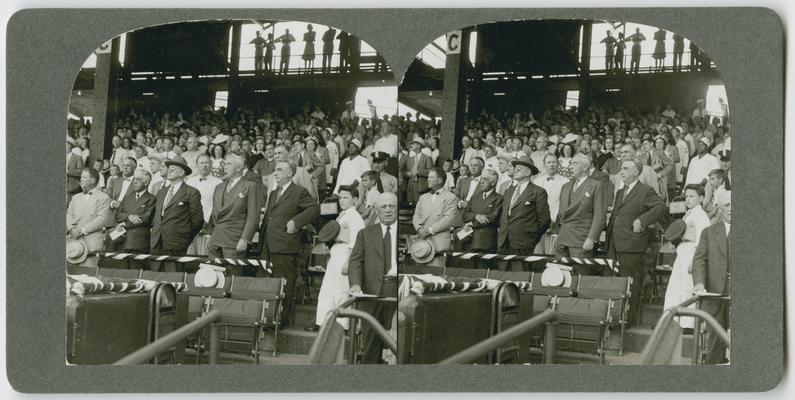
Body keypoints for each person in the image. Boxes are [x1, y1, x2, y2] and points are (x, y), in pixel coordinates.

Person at [606, 158, 667, 325]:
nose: (621, 172)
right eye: (621, 169)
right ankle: (615, 318)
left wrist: (643, 220)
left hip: (632, 245)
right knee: (616, 284)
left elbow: (660, 207)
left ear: (636, 172)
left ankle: (628, 321)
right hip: (614, 244)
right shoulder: (620, 192)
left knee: (631, 285)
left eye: (625, 169)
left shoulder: (645, 191)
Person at [259, 160, 320, 325]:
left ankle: (281, 321)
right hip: (267, 244)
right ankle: (267, 319)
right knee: (268, 284)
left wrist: (296, 221)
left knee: (284, 286)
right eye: (274, 170)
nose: (275, 173)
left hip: (285, 245)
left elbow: (314, 208)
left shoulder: (299, 192)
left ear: (290, 173)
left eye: (279, 170)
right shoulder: (273, 193)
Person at [347, 192, 399, 364]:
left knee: (399, 339)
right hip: (372, 293)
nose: (388, 210)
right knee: (371, 341)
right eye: (384, 206)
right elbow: (355, 262)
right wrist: (355, 285)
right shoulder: (365, 234)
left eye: (392, 206)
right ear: (376, 210)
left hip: (399, 290)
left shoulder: (406, 233)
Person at [308, 185, 365, 332]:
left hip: (346, 253)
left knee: (341, 291)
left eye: (345, 197)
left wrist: (348, 261)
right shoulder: (343, 214)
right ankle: (322, 322)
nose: (341, 200)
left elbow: (356, 242)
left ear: (355, 199)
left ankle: (342, 325)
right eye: (340, 197)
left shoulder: (355, 217)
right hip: (336, 251)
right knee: (327, 289)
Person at [663, 184, 711, 330]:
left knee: (687, 287)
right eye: (687, 196)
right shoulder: (688, 213)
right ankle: (672, 321)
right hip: (683, 251)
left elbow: (702, 239)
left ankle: (687, 324)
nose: (688, 199)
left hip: (691, 253)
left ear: (701, 198)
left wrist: (695, 260)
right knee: (676, 287)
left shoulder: (700, 215)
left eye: (692, 196)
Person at [692, 190, 732, 364]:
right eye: (727, 205)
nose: (731, 209)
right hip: (716, 293)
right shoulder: (708, 232)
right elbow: (699, 260)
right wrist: (700, 283)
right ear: (719, 208)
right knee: (715, 337)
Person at [206, 155, 261, 274]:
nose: (224, 167)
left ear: (238, 168)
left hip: (234, 240)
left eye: (228, 164)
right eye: (224, 164)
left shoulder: (250, 186)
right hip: (215, 240)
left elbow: (253, 216)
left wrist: (245, 239)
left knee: (232, 278)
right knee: (214, 277)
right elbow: (215, 213)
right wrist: (210, 235)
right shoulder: (219, 187)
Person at [150, 156, 204, 272]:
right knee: (154, 276)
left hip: (176, 243)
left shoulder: (191, 192)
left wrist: (184, 238)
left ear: (182, 172)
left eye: (173, 168)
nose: (169, 170)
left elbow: (197, 220)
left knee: (172, 276)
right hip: (156, 241)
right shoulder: (162, 191)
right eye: (169, 168)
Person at [555, 153, 607, 272]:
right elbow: (561, 213)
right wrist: (557, 235)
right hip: (562, 240)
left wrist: (591, 238)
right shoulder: (566, 186)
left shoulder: (596, 185)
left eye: (574, 163)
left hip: (581, 240)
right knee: (561, 278)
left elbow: (600, 215)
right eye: (570, 164)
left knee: (580, 278)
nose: (570, 166)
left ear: (585, 167)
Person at [497, 155, 550, 271]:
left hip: (523, 243)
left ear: (528, 172)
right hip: (503, 241)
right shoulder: (509, 191)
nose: (515, 170)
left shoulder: (538, 192)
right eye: (515, 167)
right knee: (501, 276)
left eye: (519, 168)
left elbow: (544, 220)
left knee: (520, 277)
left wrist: (531, 238)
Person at [412, 167, 459, 267]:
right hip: (421, 244)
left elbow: (448, 219)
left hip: (438, 243)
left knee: (435, 277)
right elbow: (416, 215)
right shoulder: (423, 197)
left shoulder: (451, 197)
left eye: (431, 177)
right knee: (418, 277)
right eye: (428, 177)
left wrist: (429, 230)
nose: (427, 179)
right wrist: (419, 228)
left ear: (440, 180)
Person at [111, 169, 157, 269]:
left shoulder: (152, 199)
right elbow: (118, 215)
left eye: (138, 179)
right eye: (134, 179)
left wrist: (124, 224)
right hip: (122, 240)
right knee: (122, 273)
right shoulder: (127, 197)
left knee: (136, 273)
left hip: (138, 242)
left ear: (146, 182)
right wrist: (129, 216)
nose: (134, 182)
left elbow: (146, 218)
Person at [66, 168, 112, 267]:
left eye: (84, 177)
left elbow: (101, 219)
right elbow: (69, 215)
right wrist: (72, 228)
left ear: (93, 180)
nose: (81, 179)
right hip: (73, 244)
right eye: (81, 177)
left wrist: (82, 230)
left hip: (91, 243)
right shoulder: (75, 198)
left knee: (88, 277)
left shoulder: (104, 197)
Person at [459, 169, 503, 269]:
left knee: (482, 271)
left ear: (493, 182)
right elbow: (465, 214)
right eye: (481, 179)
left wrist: (472, 224)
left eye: (485, 179)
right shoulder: (475, 197)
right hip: (469, 238)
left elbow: (492, 218)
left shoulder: (499, 198)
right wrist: (476, 216)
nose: (481, 182)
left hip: (485, 241)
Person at [185, 154, 222, 256]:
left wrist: (207, 221)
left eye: (207, 163)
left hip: (209, 222)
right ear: (197, 165)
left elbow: (217, 204)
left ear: (211, 165)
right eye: (202, 163)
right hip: (190, 222)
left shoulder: (218, 182)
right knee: (190, 254)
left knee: (204, 254)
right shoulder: (190, 181)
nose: (204, 165)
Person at [405, 138, 434, 204]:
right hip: (411, 187)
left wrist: (418, 172)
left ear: (419, 146)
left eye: (413, 144)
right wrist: (407, 173)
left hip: (422, 187)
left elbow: (431, 172)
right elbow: (406, 172)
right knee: (411, 208)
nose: (411, 145)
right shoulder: (410, 159)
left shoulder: (427, 158)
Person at [67, 137, 84, 204]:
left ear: (70, 145)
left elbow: (81, 172)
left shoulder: (77, 158)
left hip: (72, 188)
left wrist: (69, 172)